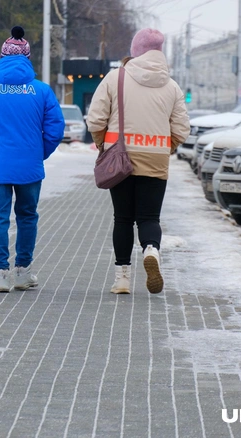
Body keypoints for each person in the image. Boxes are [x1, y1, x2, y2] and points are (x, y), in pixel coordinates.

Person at [0, 26, 65, 293]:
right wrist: (39, 152)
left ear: (2, 58)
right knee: (27, 217)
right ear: (27, 59)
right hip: (29, 167)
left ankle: (0, 275)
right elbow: (55, 129)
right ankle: (23, 272)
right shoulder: (41, 91)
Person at [87, 28, 190, 295]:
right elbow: (181, 129)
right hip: (155, 159)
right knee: (149, 216)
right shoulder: (172, 86)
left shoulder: (115, 77)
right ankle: (152, 250)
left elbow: (96, 118)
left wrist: (102, 144)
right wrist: (166, 149)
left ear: (135, 50)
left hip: (119, 158)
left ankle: (122, 279)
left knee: (122, 219)